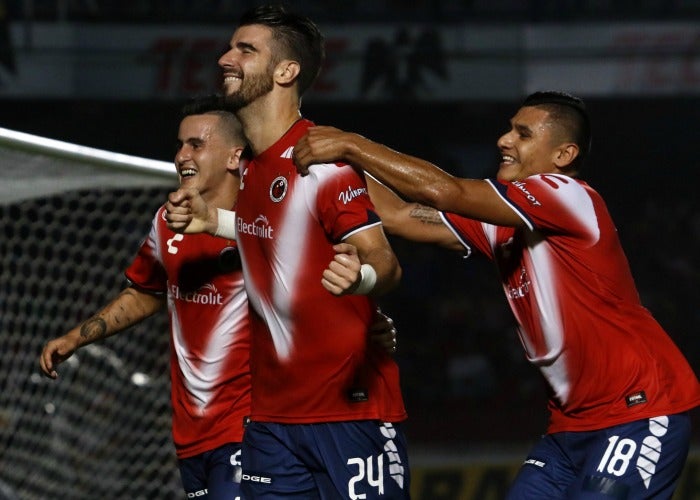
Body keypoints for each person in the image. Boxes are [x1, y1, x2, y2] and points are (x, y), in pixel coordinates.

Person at [292, 90, 700, 498]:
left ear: (563, 155)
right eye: (509, 130)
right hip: (569, 428)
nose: (504, 140)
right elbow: (398, 215)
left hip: (641, 410)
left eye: (523, 134)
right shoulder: (502, 224)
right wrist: (334, 164)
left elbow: (444, 191)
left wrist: (351, 143)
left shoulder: (567, 194)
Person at [38, 94, 400, 499]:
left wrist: (371, 321)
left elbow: (322, 279)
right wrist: (77, 337)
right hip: (192, 434)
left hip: (250, 425)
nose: (181, 156)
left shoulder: (271, 220)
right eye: (179, 144)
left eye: (196, 144)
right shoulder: (168, 221)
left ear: (234, 157)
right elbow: (146, 292)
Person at [164, 5, 410, 499]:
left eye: (244, 50)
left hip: (348, 413)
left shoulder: (320, 162)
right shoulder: (250, 170)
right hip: (271, 421)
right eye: (231, 47)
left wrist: (358, 279)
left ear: (286, 70)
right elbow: (274, 230)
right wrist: (213, 222)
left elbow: (384, 261)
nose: (225, 58)